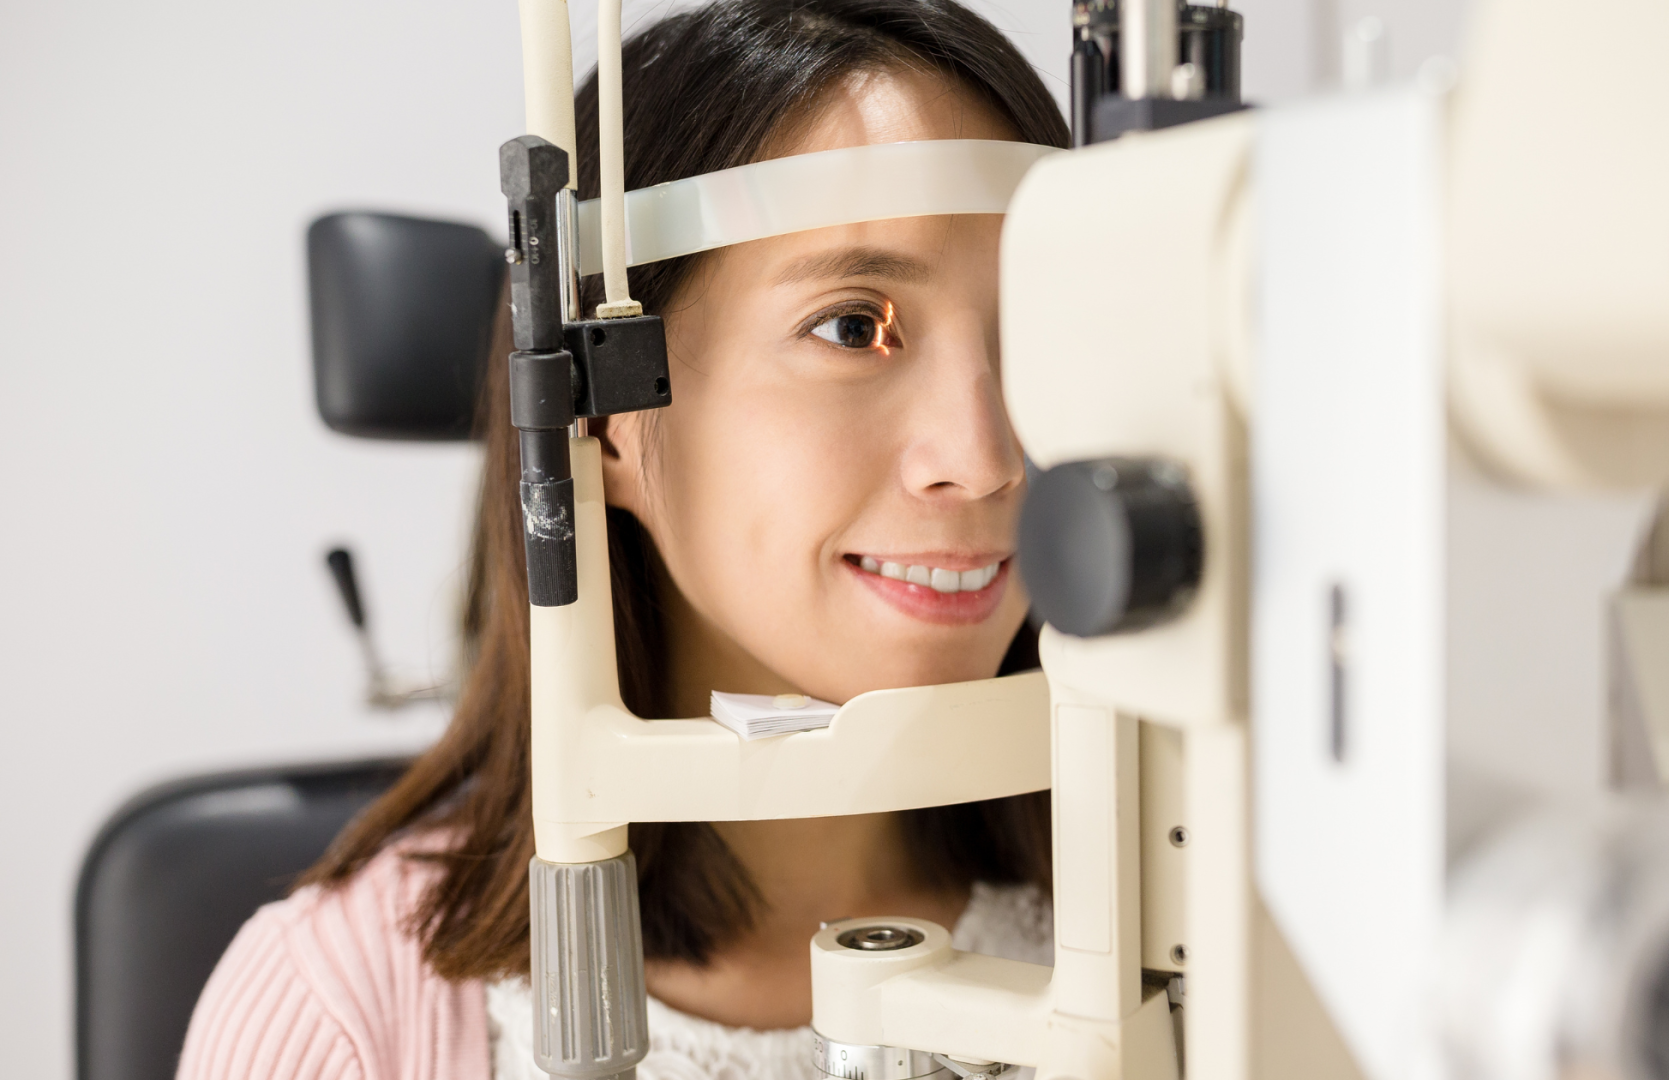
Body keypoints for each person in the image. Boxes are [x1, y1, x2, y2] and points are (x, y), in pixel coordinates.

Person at [176, 1, 1068, 1076]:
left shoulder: (1184, 913)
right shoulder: (344, 1015)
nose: (987, 457)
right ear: (600, 414)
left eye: (1036, 328)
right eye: (852, 325)